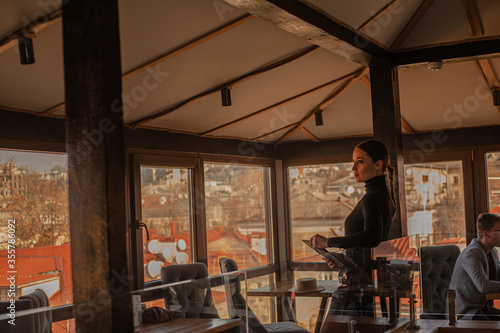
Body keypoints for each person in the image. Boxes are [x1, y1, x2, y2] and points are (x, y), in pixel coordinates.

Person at [310, 139, 397, 316]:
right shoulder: (380, 195)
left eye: (360, 161)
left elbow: (371, 237)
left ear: (378, 164)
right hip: (361, 281)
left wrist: (328, 242)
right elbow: (366, 243)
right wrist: (343, 260)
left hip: (358, 286)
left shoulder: (373, 198)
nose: (353, 168)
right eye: (353, 162)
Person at [449, 213, 500, 321]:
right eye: (499, 231)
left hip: (483, 308)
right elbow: (484, 286)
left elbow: (497, 274)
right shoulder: (473, 253)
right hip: (466, 312)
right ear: (486, 234)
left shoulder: (492, 251)